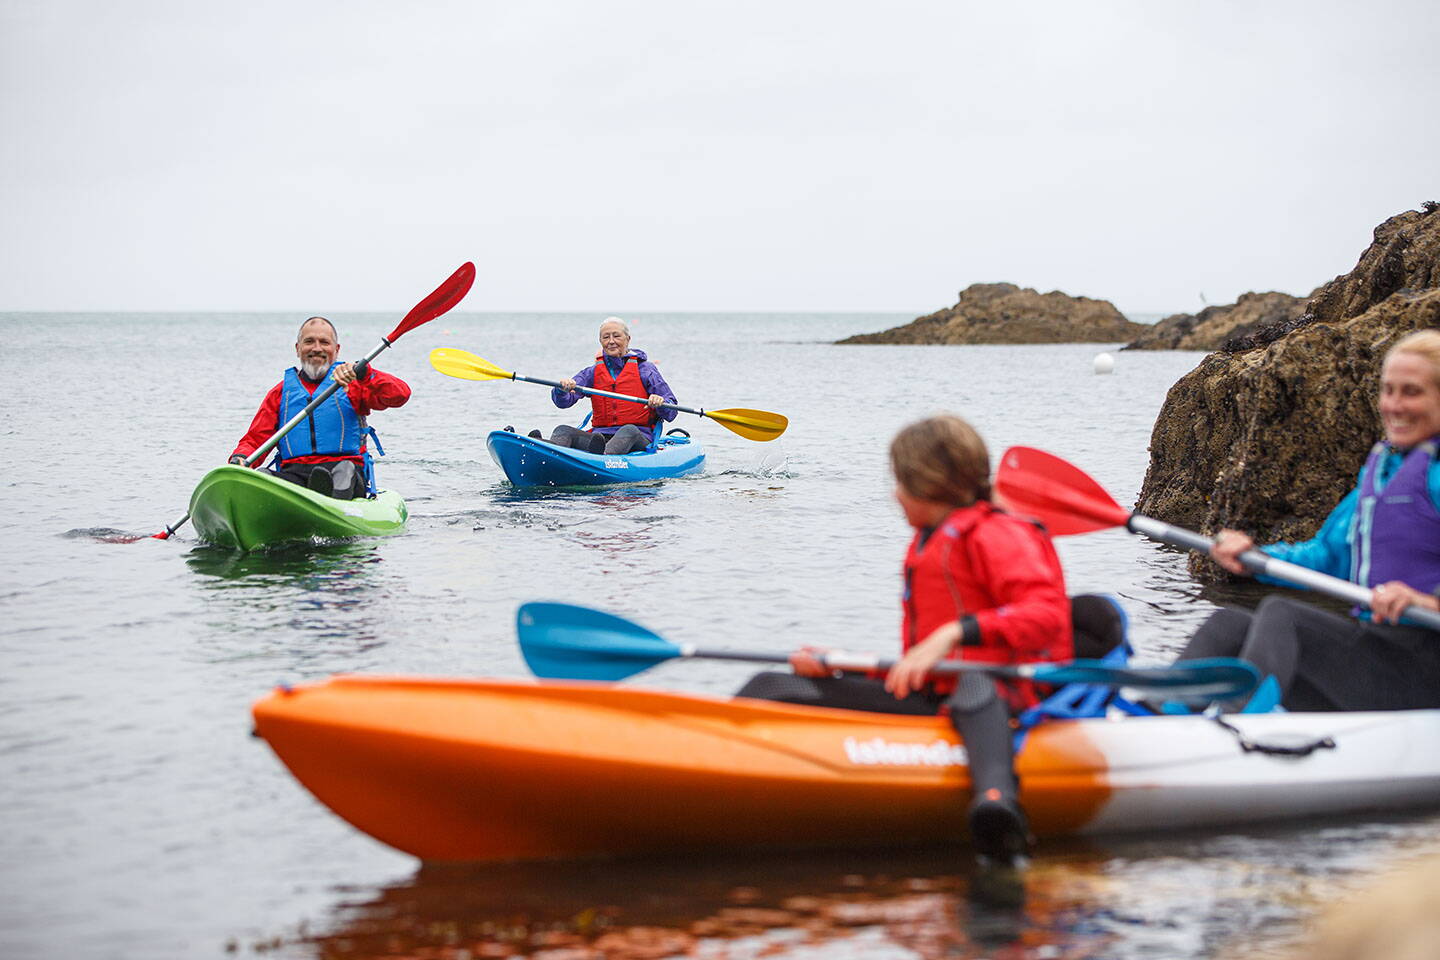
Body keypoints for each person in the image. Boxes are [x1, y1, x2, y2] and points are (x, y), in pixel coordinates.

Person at [734, 414, 1073, 864]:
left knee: (976, 682)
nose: (894, 494)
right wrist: (843, 663)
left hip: (999, 695)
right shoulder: (934, 537)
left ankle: (998, 803)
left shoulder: (997, 533)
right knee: (770, 686)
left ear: (929, 485)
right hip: (935, 692)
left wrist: (957, 631)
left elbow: (1046, 615)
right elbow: (922, 659)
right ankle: (703, 768)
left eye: (900, 482)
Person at [1177, 329, 1440, 711]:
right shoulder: (1384, 470)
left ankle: (1240, 728)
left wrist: (1427, 601)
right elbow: (1327, 556)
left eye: (1411, 392)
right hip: (1379, 650)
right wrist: (1255, 558)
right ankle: (1155, 716)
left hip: (1425, 668)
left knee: (1285, 617)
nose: (1394, 405)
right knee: (1230, 624)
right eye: (1388, 390)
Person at [229, 316, 411, 500]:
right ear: (298, 348)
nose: (317, 348)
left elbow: (400, 395)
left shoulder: (353, 384)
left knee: (344, 472)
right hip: (294, 475)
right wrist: (240, 458)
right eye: (309, 342)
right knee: (262, 475)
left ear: (336, 349)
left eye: (324, 342)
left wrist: (364, 373)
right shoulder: (280, 393)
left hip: (344, 472)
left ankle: (327, 501)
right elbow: (255, 440)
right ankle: (298, 499)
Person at [543, 316, 677, 455]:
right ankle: (545, 452)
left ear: (628, 339)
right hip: (600, 438)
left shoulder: (646, 370)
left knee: (628, 430)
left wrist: (661, 403)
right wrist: (561, 390)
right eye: (606, 337)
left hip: (637, 437)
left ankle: (602, 459)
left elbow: (671, 412)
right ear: (600, 341)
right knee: (562, 430)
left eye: (616, 336)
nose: (611, 341)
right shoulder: (592, 372)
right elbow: (563, 403)